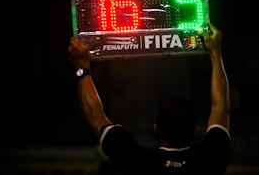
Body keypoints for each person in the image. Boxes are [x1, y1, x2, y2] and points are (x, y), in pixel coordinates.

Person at [67, 23, 231, 174]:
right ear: (195, 131)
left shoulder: (137, 161)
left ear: (155, 128)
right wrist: (216, 53)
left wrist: (82, 67)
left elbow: (94, 113)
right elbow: (221, 105)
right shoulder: (211, 160)